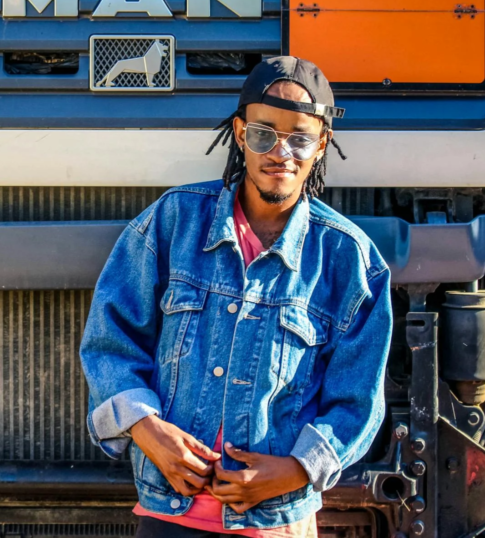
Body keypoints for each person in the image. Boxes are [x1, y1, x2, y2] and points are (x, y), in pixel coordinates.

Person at [79, 56, 393, 538]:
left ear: (321, 144)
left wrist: (294, 470)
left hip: (278, 522)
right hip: (170, 513)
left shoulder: (349, 262)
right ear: (241, 135)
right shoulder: (173, 222)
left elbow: (358, 401)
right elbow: (109, 341)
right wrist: (146, 429)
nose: (280, 152)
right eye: (264, 133)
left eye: (299, 137)